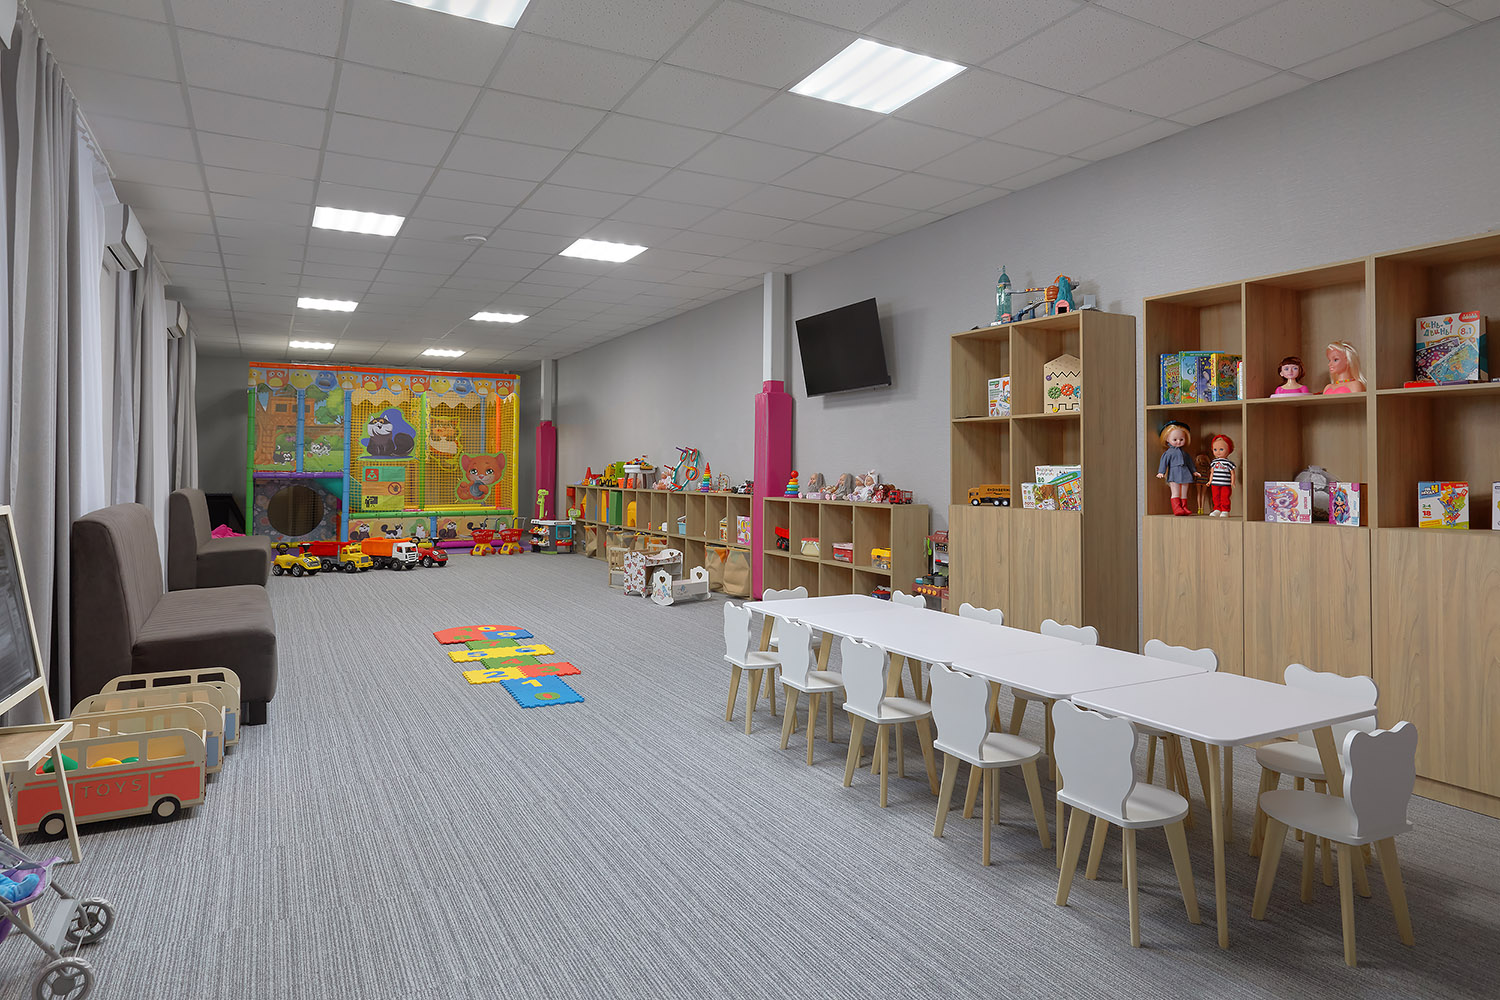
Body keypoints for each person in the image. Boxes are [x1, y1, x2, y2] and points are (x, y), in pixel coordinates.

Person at [1156, 421, 1195, 515]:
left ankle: (1184, 507)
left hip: (1185, 473)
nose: (1178, 441)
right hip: (1174, 473)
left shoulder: (1185, 453)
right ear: (1167, 439)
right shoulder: (1168, 453)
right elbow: (1164, 462)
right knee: (1175, 491)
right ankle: (1177, 508)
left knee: (1184, 492)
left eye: (1181, 439)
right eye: (1175, 439)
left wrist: (1194, 471)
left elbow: (1190, 463)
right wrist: (1161, 472)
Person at [1208, 434, 1237, 516]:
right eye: (1215, 449)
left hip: (1225, 483)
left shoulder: (1229, 463)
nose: (1218, 452)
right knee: (1215, 496)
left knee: (1225, 497)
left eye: (1221, 449)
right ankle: (1217, 509)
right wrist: (1210, 481)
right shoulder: (1214, 462)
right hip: (1215, 483)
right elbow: (1212, 472)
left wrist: (1232, 482)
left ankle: (1225, 510)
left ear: (1229, 449)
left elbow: (1232, 473)